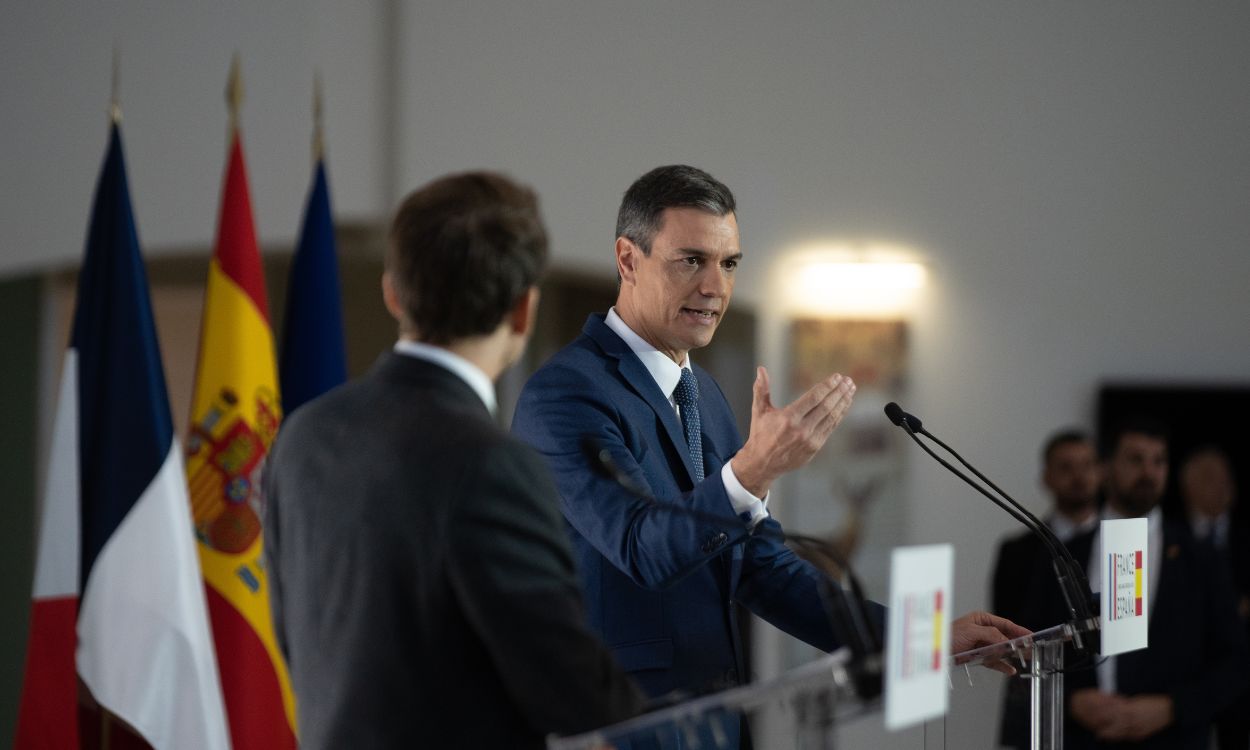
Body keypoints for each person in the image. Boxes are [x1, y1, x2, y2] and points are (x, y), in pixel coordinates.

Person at [511, 164, 1027, 718]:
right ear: (627, 259)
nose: (715, 287)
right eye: (691, 261)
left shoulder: (701, 392)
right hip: (622, 725)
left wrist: (919, 638)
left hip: (717, 719)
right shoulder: (566, 393)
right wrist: (752, 472)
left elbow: (761, 569)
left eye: (729, 263)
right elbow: (641, 548)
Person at [262, 171, 644, 749]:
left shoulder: (304, 434)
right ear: (524, 311)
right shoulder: (492, 465)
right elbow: (573, 690)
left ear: (394, 293)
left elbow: (296, 639)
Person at [1064, 418, 1247, 749]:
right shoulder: (1067, 553)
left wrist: (1172, 707)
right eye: (1135, 459)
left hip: (1172, 739)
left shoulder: (1200, 557)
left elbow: (1235, 661)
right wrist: (1071, 700)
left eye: (1158, 461)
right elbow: (1031, 640)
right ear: (1106, 468)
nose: (1148, 472)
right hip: (1084, 739)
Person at [991, 429, 1103, 749]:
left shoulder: (1121, 549)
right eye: (1066, 467)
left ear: (1101, 472)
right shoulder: (1017, 552)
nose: (1079, 476)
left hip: (1112, 721)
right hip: (1037, 716)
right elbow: (1007, 641)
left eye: (1087, 465)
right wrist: (1070, 700)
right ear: (1047, 478)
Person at [1178, 445, 1250, 749]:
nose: (1222, 486)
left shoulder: (1246, 538)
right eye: (1209, 478)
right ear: (1187, 486)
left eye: (1226, 478)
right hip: (1184, 674)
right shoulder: (1168, 538)